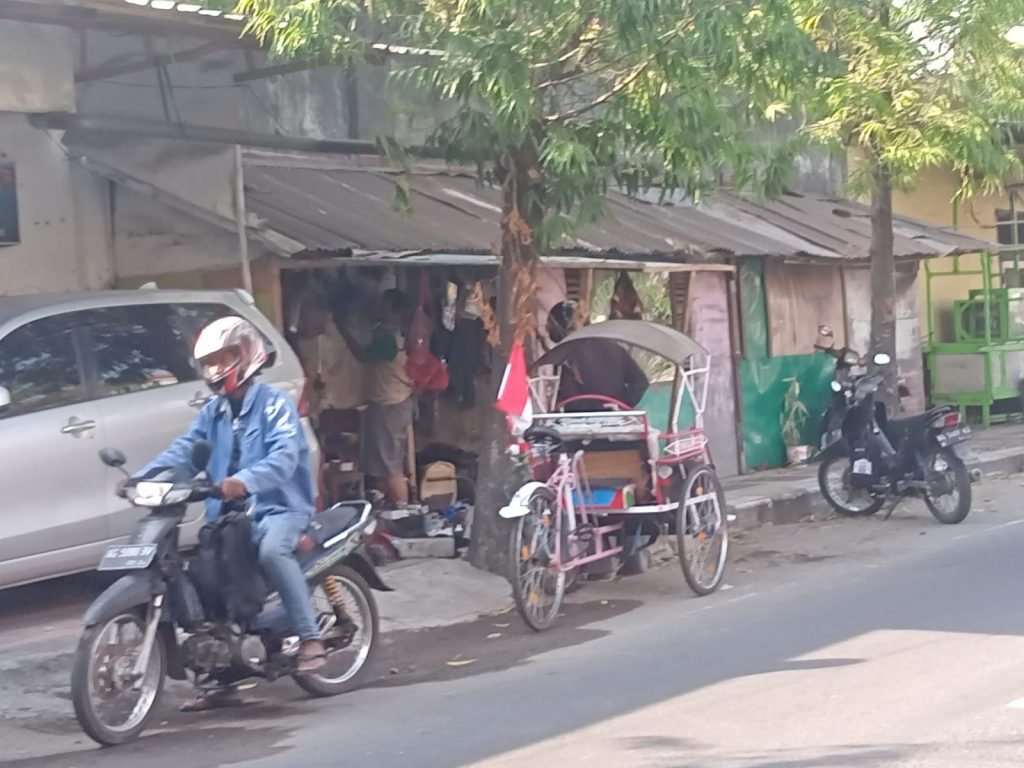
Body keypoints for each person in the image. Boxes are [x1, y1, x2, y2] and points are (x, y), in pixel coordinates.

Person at [138, 316, 326, 707]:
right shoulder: (213, 412)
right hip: (228, 516)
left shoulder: (274, 403)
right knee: (205, 581)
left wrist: (246, 480)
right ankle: (220, 677)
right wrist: (141, 477)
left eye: (223, 358)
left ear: (245, 354)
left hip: (279, 509)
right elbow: (185, 450)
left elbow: (286, 457)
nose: (216, 369)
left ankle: (310, 638)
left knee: (272, 551)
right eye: (209, 363)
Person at [337, 288, 415, 505]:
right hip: (389, 404)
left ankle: (403, 510)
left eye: (383, 306)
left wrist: (343, 329)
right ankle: (392, 506)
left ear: (393, 311)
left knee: (389, 464)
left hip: (390, 405)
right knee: (383, 462)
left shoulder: (388, 339)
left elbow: (362, 355)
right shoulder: (391, 334)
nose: (378, 309)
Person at [546, 300, 649, 410]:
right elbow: (641, 382)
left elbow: (571, 402)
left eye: (550, 324)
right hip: (616, 418)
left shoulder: (564, 357)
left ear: (559, 328)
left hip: (581, 422)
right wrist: (620, 403)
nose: (547, 328)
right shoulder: (612, 346)